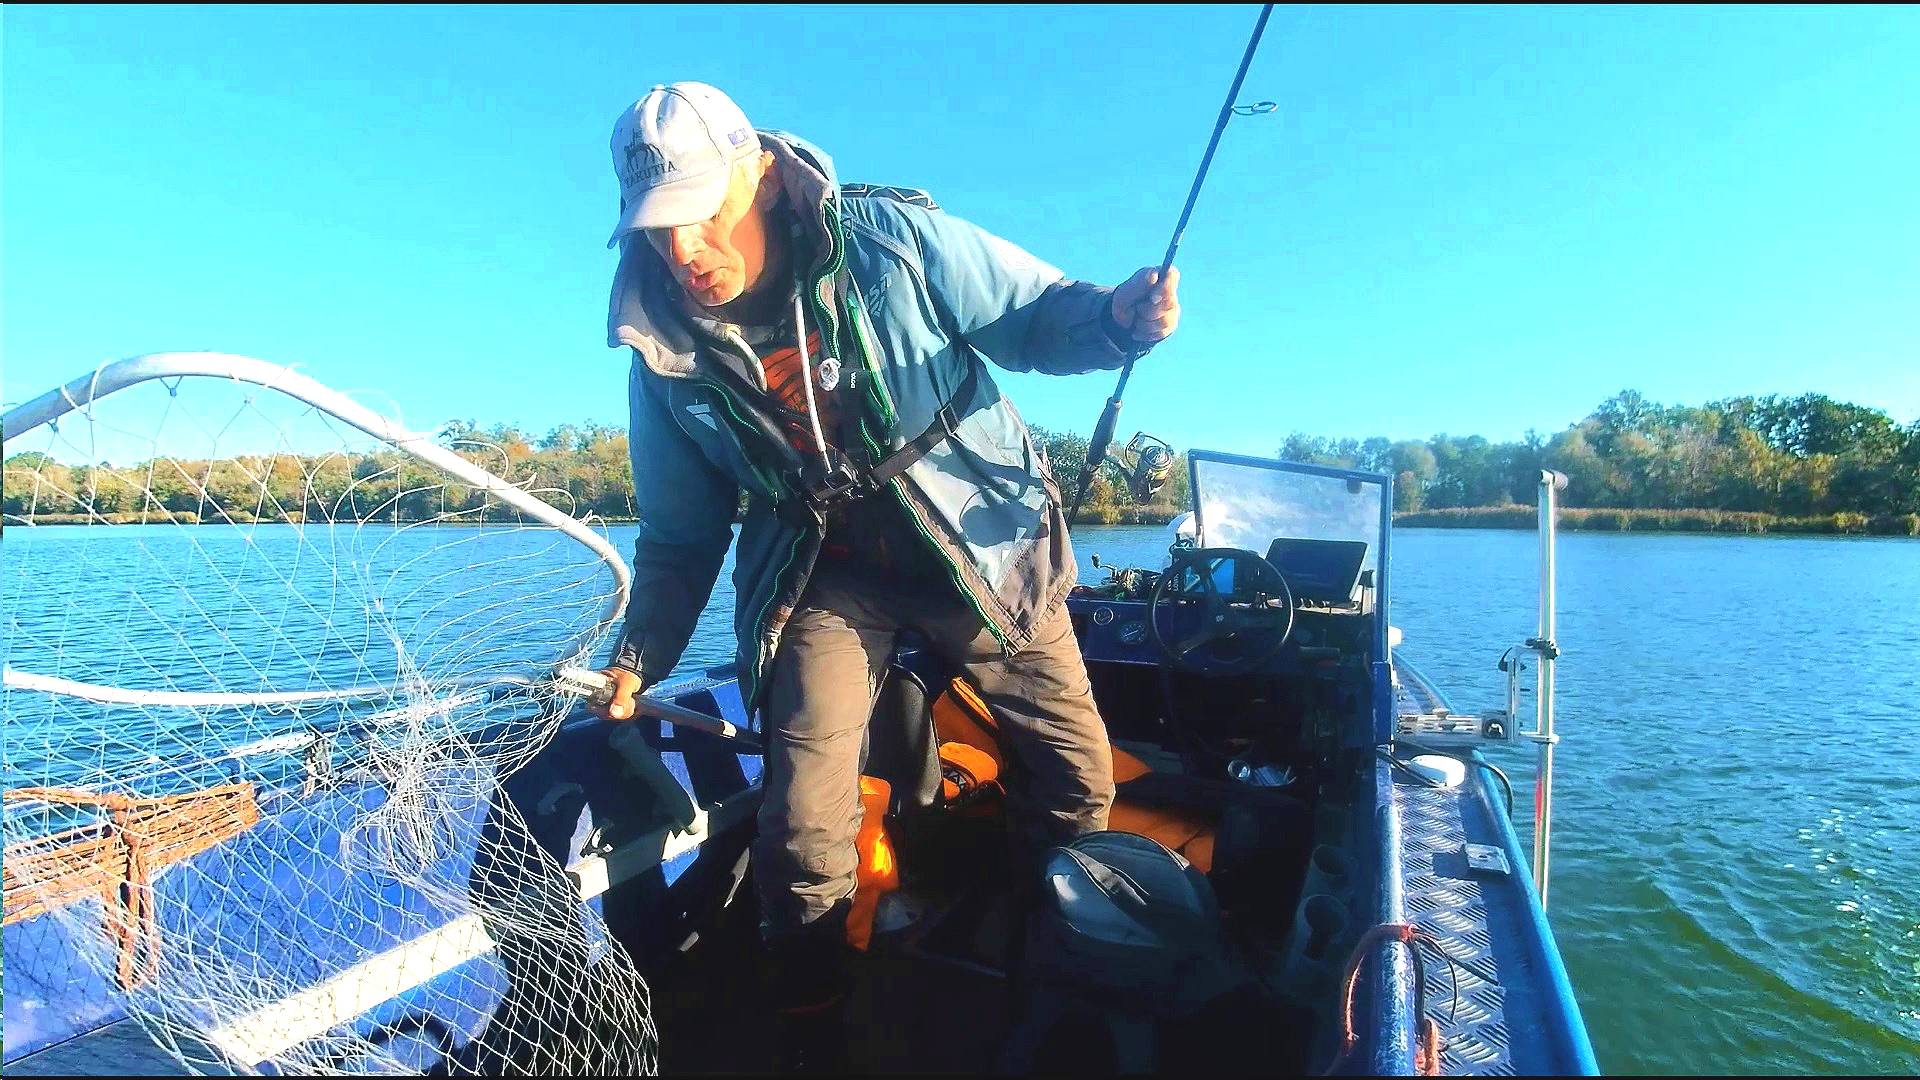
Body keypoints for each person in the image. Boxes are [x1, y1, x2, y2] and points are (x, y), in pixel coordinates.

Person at [592, 81, 1180, 1068]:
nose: (683, 253)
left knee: (1077, 780)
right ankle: (812, 1008)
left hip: (982, 544)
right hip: (823, 571)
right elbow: (681, 537)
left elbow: (1038, 316)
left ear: (762, 178)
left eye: (700, 216)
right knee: (802, 805)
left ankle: (1047, 952)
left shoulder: (887, 243)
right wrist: (640, 655)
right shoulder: (662, 353)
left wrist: (1117, 321)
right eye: (656, 230)